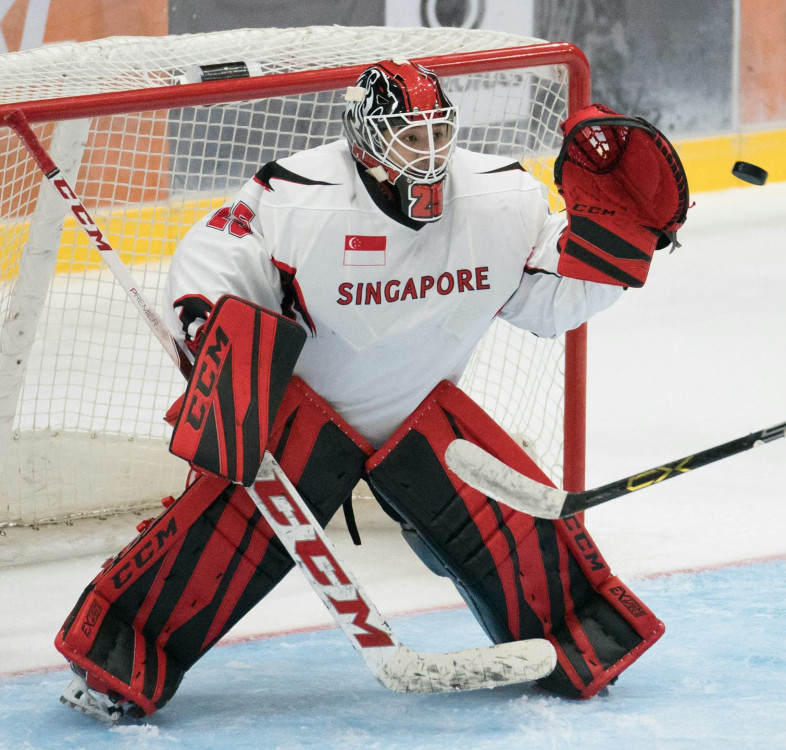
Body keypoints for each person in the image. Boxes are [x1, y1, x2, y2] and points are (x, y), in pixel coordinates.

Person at [54, 60, 688, 720]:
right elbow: (218, 253)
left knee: (522, 549)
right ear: (364, 138)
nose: (429, 152)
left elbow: (547, 304)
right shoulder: (299, 196)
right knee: (209, 551)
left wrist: (619, 247)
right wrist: (204, 323)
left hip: (423, 414)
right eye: (409, 137)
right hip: (300, 418)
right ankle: (111, 667)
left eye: (438, 133)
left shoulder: (503, 197)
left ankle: (578, 648)